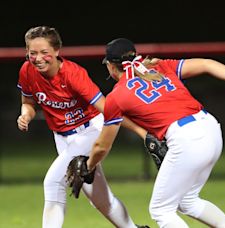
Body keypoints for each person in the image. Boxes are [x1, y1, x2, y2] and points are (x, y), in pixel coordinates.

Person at [85, 37, 225, 227]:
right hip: (210, 126)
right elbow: (206, 64)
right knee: (188, 201)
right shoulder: (159, 67)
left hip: (187, 138)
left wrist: (88, 167)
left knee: (161, 210)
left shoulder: (116, 96)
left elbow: (101, 146)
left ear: (112, 67)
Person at [16, 26, 148, 228]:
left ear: (57, 51)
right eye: (32, 53)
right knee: (100, 200)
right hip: (62, 138)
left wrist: (142, 132)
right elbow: (28, 102)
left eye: (44, 52)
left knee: (53, 182)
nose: (38, 58)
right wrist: (26, 114)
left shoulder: (73, 74)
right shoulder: (27, 71)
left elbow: (108, 109)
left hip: (89, 131)